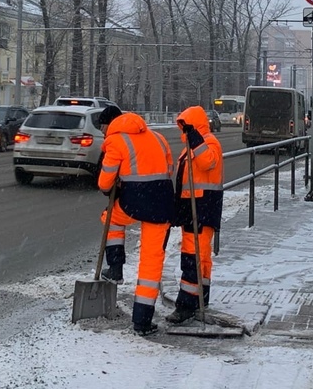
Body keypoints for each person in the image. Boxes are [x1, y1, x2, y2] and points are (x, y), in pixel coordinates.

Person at [96, 105, 177, 334]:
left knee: (110, 218)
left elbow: (104, 183)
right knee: (151, 263)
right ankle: (141, 321)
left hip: (133, 203)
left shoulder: (116, 142)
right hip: (162, 204)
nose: (102, 133)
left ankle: (115, 267)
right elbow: (168, 168)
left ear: (109, 125)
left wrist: (119, 183)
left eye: (102, 127)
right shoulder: (158, 138)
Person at [168, 106, 224, 325]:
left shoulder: (209, 143)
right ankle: (201, 295)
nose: (182, 130)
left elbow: (207, 162)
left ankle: (187, 304)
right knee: (200, 256)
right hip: (191, 208)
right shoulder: (189, 147)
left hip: (202, 207)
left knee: (193, 256)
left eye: (185, 125)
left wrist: (195, 139)